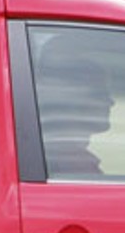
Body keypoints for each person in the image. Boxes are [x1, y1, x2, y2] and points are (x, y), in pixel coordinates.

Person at [35, 48, 113, 177]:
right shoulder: (73, 166)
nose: (111, 102)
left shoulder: (50, 155)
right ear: (73, 102)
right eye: (101, 94)